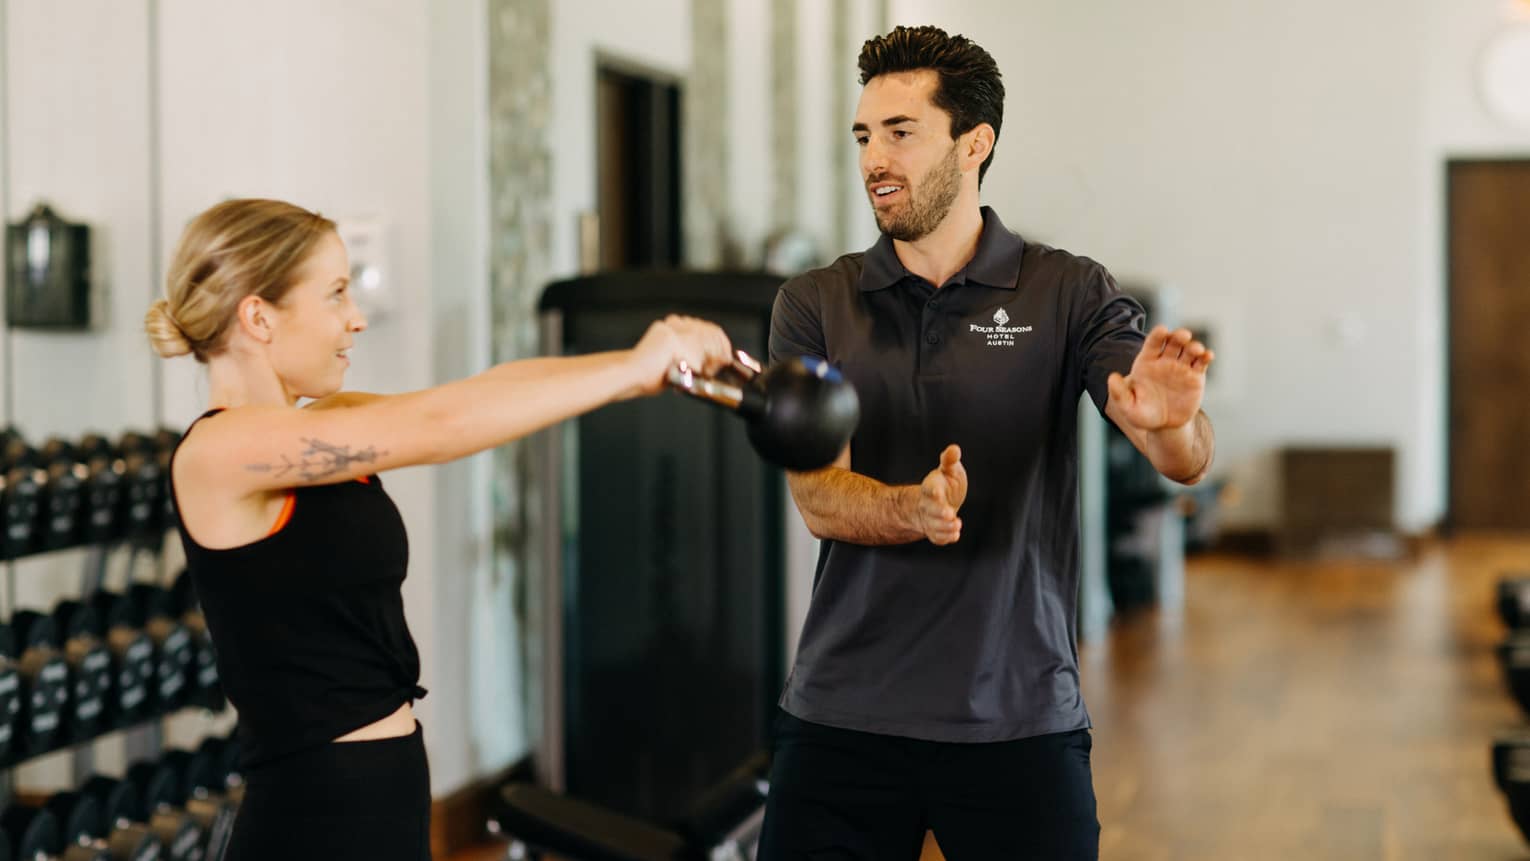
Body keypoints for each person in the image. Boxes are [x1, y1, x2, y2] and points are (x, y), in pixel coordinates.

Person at [143, 198, 734, 860]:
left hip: (381, 792)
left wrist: (642, 371)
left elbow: (478, 395)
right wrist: (634, 364)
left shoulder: (328, 423)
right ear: (258, 316)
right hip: (313, 811)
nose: (355, 317)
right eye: (336, 293)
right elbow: (438, 428)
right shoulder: (221, 452)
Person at [759, 26, 1216, 861]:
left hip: (1018, 717)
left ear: (976, 144)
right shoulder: (816, 302)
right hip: (841, 715)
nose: (875, 159)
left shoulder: (1067, 288)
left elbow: (1180, 457)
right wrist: (914, 508)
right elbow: (818, 494)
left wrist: (1172, 419)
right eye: (865, 135)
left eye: (902, 132)